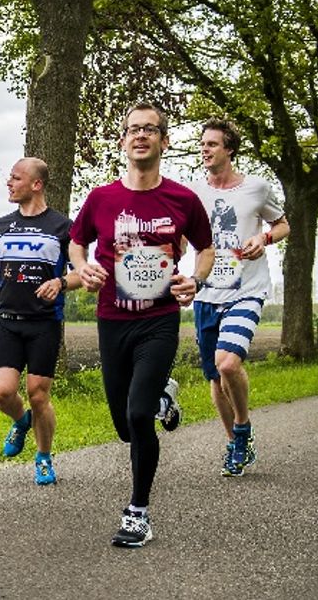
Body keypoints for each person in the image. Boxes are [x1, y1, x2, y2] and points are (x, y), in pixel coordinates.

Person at [68, 102, 214, 548]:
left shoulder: (183, 199)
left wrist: (197, 279)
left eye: (151, 129)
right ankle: (163, 396)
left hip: (159, 320)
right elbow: (76, 244)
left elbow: (206, 250)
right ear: (123, 141)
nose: (141, 135)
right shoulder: (101, 198)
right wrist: (85, 266)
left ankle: (138, 511)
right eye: (133, 129)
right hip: (112, 320)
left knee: (136, 414)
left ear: (164, 142)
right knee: (124, 426)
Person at [0, 157, 79, 486]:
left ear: (36, 185)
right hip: (8, 321)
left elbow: (83, 272)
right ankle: (22, 421)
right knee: (2, 393)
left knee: (39, 395)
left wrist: (61, 283)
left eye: (15, 178)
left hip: (44, 323)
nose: (9, 184)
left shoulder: (63, 228)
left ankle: (43, 456)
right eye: (9, 178)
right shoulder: (1, 226)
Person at [188, 118, 289, 477]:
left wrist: (265, 239)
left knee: (228, 363)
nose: (205, 149)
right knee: (215, 377)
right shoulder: (194, 191)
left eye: (212, 144)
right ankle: (235, 442)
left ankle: (243, 426)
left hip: (246, 289)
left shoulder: (256, 188)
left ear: (229, 149)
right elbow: (183, 237)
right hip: (206, 292)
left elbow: (282, 223)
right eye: (202, 144)